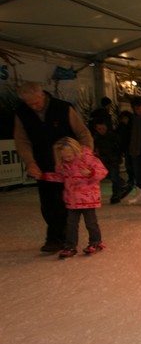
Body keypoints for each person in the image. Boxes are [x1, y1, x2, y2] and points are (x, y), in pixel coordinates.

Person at [14, 81, 94, 252]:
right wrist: (30, 162)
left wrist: (85, 156)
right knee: (48, 203)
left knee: (63, 201)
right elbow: (22, 141)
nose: (33, 107)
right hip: (43, 165)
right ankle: (57, 236)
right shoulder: (22, 114)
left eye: (36, 102)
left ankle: (57, 237)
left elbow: (83, 133)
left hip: (68, 166)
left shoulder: (63, 108)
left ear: (42, 95)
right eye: (29, 104)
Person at [41, 137, 108, 258]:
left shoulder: (88, 159)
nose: (67, 159)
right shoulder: (63, 165)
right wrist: (44, 176)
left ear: (75, 151)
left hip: (88, 199)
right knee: (71, 224)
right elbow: (60, 177)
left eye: (69, 156)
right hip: (72, 200)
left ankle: (96, 242)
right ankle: (70, 246)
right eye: (64, 157)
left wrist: (91, 173)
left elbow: (102, 172)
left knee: (91, 223)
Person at [92, 119, 129, 204]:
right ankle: (117, 193)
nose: (101, 131)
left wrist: (118, 156)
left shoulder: (112, 136)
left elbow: (118, 147)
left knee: (114, 177)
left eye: (103, 129)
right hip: (104, 160)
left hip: (113, 159)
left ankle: (116, 194)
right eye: (99, 129)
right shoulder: (96, 138)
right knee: (110, 176)